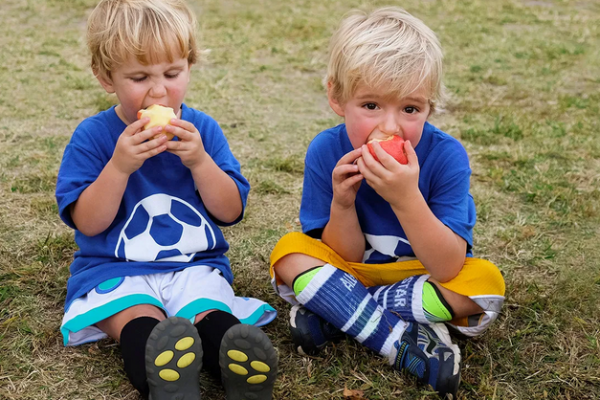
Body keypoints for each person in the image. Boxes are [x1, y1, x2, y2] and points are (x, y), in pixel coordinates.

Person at [269, 7, 505, 398]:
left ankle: (336, 311)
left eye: (410, 109)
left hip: (424, 277)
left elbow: (447, 266)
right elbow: (342, 255)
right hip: (353, 271)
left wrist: (406, 198)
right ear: (337, 97)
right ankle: (400, 342)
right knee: (289, 254)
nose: (391, 126)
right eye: (371, 106)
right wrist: (343, 205)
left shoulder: (447, 156)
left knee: (484, 284)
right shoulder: (327, 151)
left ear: (430, 107)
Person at [55, 1, 278, 399]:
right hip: (115, 268)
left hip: (194, 265)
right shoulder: (92, 137)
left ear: (189, 66)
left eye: (172, 73)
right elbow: (89, 223)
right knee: (138, 319)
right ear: (106, 77)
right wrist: (119, 167)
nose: (159, 90)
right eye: (139, 77)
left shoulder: (202, 130)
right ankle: (165, 378)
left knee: (208, 312)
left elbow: (230, 211)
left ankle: (238, 364)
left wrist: (200, 161)